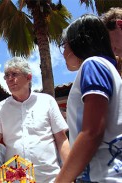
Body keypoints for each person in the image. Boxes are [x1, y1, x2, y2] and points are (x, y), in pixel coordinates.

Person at [0, 57, 70, 183]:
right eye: (7, 75)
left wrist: (70, 173)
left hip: (49, 178)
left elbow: (61, 139)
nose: (9, 79)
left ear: (28, 77)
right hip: (15, 179)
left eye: (14, 74)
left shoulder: (47, 101)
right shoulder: (0, 107)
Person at [55, 14, 122, 183]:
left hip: (100, 176)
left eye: (64, 45)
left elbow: (92, 132)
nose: (63, 52)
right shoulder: (111, 70)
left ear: (79, 41)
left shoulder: (92, 64)